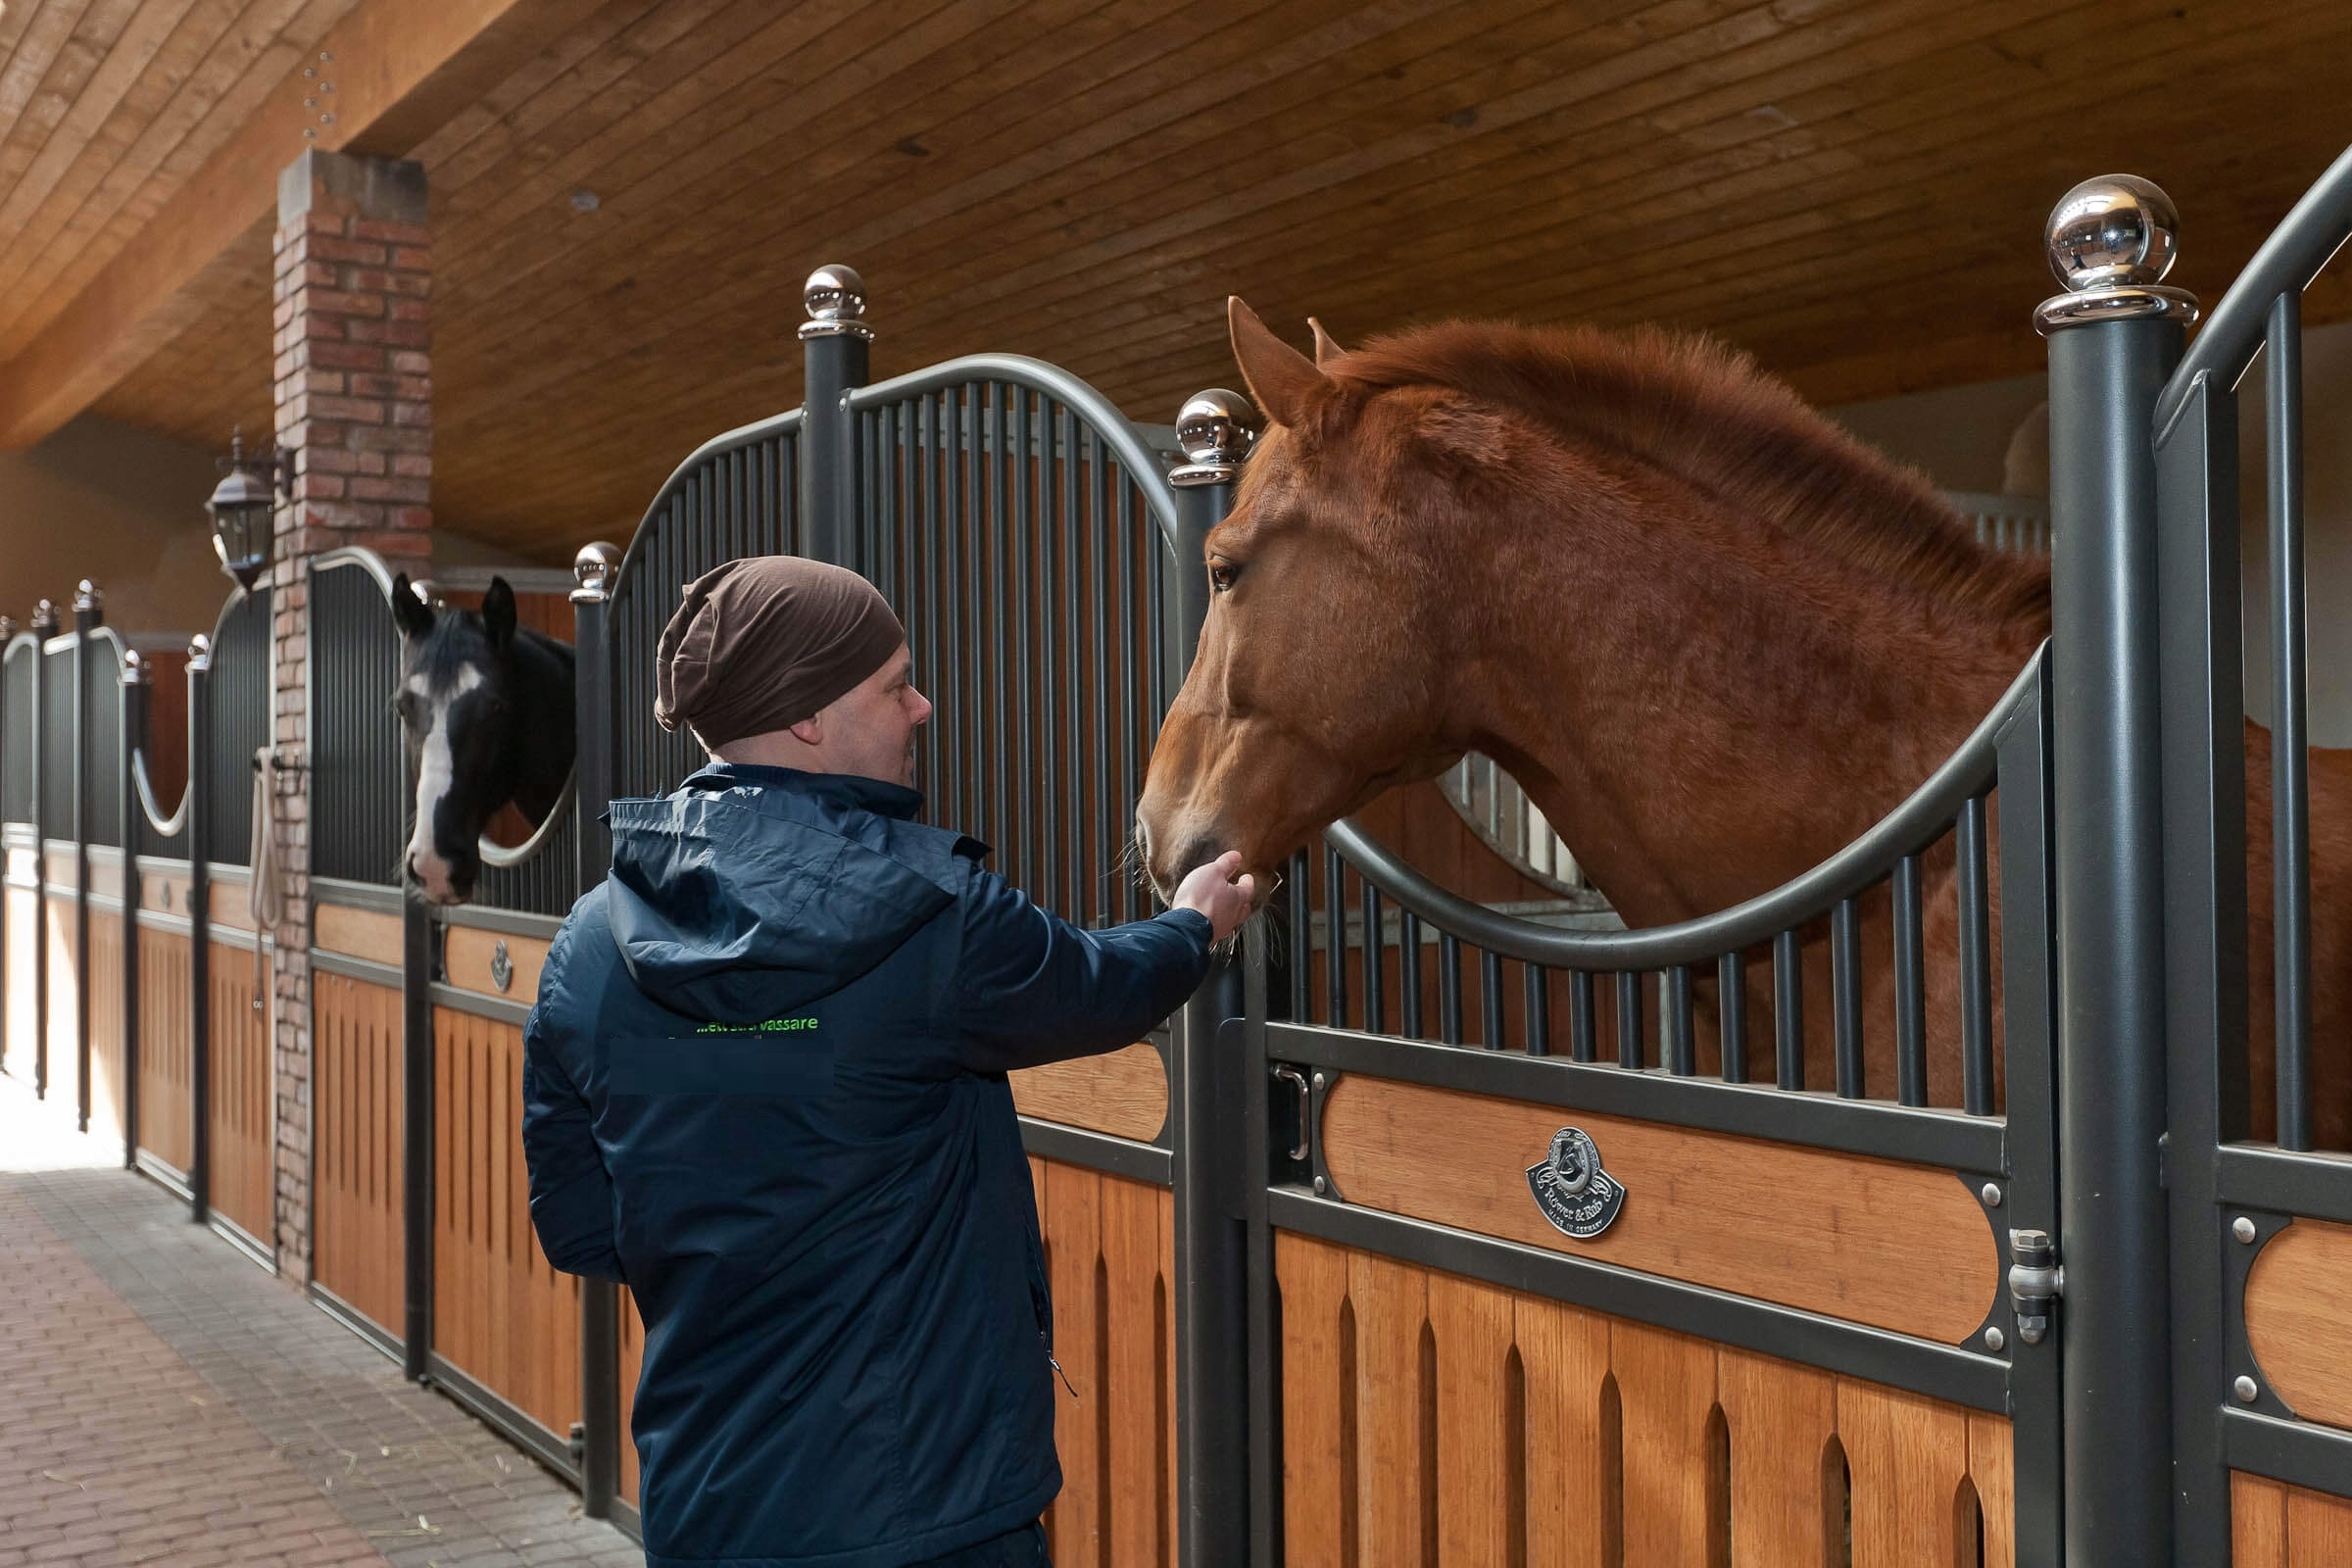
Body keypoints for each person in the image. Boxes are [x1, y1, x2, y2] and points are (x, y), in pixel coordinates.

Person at [520, 555, 1252, 1568]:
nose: (922, 704)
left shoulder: (589, 948)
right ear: (811, 715)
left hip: (711, 1511)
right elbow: (1095, 985)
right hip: (928, 1511)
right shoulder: (924, 913)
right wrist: (1191, 928)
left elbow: (580, 1229)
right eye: (893, 681)